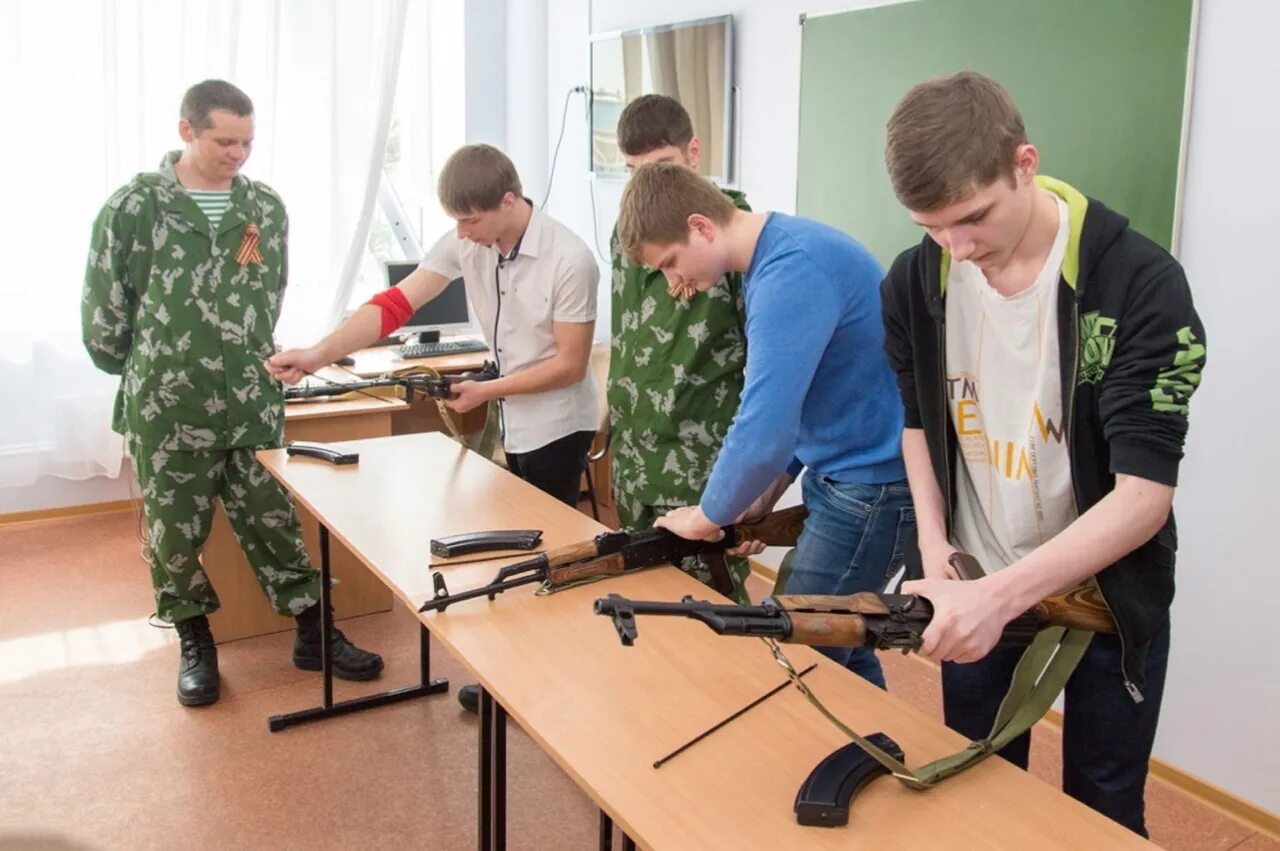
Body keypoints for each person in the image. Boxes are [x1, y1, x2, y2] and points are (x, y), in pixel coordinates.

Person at [879, 70, 1205, 835]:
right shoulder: (914, 279)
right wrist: (937, 549)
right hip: (978, 573)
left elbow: (1143, 495)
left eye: (972, 217)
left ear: (1025, 163)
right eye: (932, 226)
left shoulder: (1142, 285)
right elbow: (919, 421)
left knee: (1104, 804)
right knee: (977, 786)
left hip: (1106, 594)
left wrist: (1002, 596)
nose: (957, 248)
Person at [82, 79, 384, 708]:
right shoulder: (134, 206)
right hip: (170, 404)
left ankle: (313, 633)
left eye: (248, 141)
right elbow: (105, 317)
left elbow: (268, 296)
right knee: (173, 532)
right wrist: (157, 366)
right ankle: (195, 643)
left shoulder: (265, 207)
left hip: (249, 398)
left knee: (276, 522)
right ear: (187, 131)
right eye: (225, 141)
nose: (238, 153)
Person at [267, 143, 599, 712]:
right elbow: (394, 305)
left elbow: (570, 364)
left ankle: (538, 688)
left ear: (509, 200)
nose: (462, 233)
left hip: (559, 424)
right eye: (456, 221)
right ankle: (512, 678)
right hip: (510, 413)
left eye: (470, 220)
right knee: (510, 548)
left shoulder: (571, 257)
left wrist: (488, 390)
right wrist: (319, 354)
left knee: (546, 555)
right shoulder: (468, 240)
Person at [616, 162, 914, 689]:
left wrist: (709, 515)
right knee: (843, 639)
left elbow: (765, 426)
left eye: (669, 262)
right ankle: (871, 750)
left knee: (791, 643)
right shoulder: (776, 260)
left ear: (701, 227)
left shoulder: (789, 273)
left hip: (871, 486)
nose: (673, 283)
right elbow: (809, 405)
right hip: (848, 475)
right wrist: (760, 499)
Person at [608, 94, 753, 603]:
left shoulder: (733, 229)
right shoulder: (625, 235)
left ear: (694, 152)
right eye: (633, 171)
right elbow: (626, 336)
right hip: (635, 454)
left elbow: (761, 360)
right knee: (642, 595)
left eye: (661, 167)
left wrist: (751, 482)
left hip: (699, 457)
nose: (647, 185)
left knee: (710, 602)